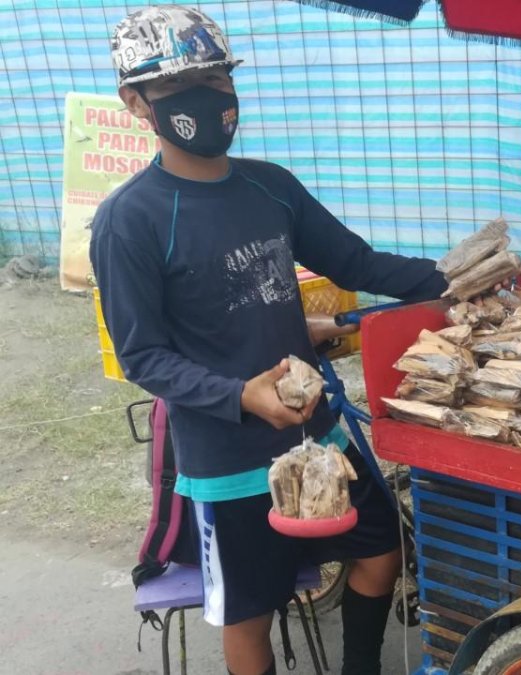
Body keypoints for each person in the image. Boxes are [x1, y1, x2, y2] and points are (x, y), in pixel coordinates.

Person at [91, 6, 446, 675]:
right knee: (251, 612)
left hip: (318, 436)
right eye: (178, 86)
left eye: (215, 79)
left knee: (382, 552)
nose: (206, 97)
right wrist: (239, 396)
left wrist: (452, 280)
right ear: (136, 103)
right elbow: (143, 355)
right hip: (228, 460)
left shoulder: (270, 186)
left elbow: (355, 263)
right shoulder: (129, 219)